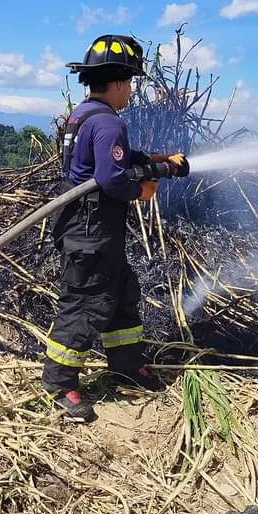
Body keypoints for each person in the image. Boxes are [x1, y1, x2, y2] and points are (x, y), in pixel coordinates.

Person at [43, 34, 188, 422]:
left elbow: (104, 162)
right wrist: (141, 190)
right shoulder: (109, 123)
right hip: (92, 230)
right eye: (131, 83)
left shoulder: (84, 114)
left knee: (122, 290)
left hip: (87, 226)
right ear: (120, 81)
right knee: (87, 302)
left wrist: (159, 161)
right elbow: (110, 179)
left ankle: (125, 365)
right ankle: (60, 384)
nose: (130, 92)